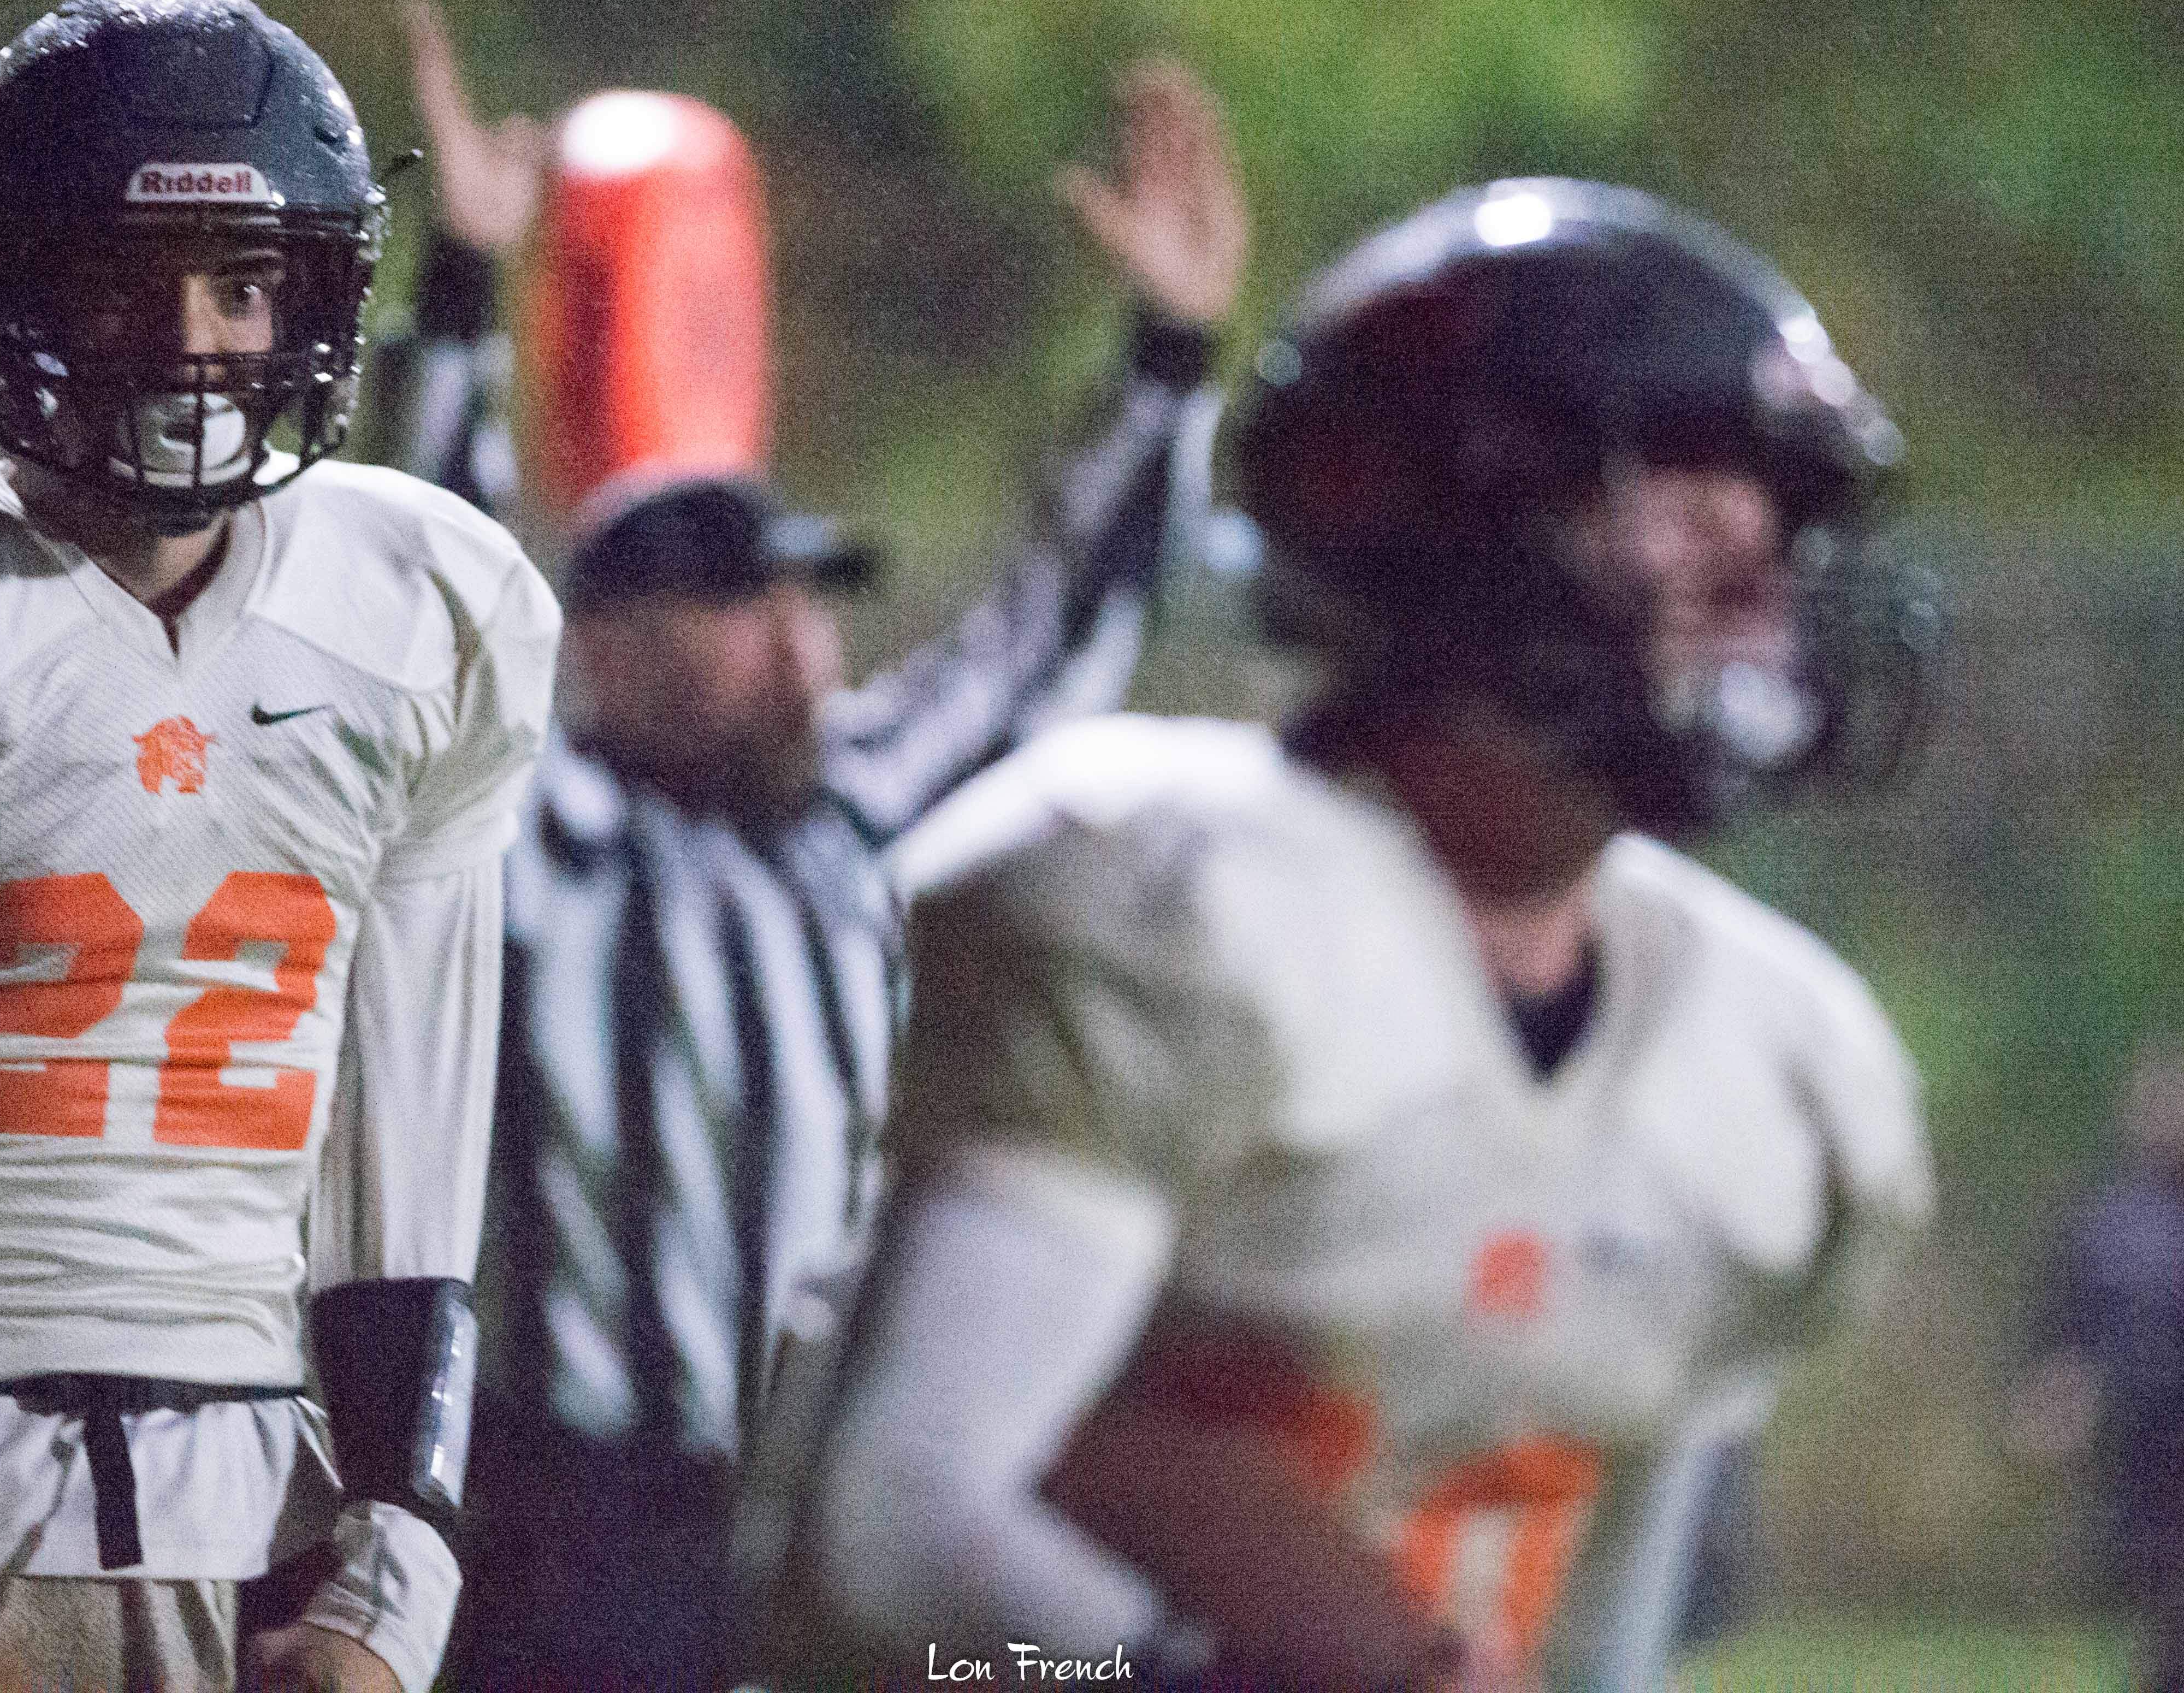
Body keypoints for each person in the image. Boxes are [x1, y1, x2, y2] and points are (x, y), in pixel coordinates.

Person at [791, 180, 1942, 1690]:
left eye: (1777, 504)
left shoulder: (1781, 1059)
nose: (1760, 561)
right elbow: (893, 1535)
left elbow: (1600, 1641)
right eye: (1680, 482)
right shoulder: (1175, 902)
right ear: (1448, 517)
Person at [0, 0, 556, 1693]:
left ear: (315, 298)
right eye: (121, 277)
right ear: (14, 286)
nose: (190, 341)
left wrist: (393, 1596)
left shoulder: (430, 608)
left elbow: (408, 1178)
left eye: (240, 283)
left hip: (256, 1529)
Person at [382, 9, 1251, 1692]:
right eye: (734, 604)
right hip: (586, 1516)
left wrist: (1165, 361)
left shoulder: (863, 803)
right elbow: (440, 593)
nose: (794, 641)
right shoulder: (547, 830)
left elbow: (1056, 630)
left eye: (802, 598)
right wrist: (465, 298)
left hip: (836, 1487)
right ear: (603, 645)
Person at [2010, 1037, 2184, 1693]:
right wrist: (2053, 1390)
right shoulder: (2102, 1216)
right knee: (2131, 1562)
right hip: (2120, 1421)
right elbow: (2062, 1315)